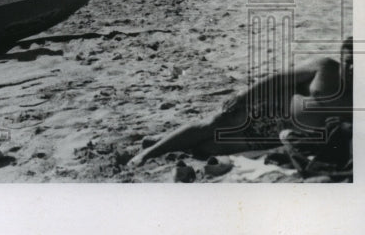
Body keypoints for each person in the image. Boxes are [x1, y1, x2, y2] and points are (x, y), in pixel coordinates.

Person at [130, 38, 353, 169]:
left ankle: (162, 140)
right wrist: (243, 97)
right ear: (341, 57)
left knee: (206, 148)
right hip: (267, 107)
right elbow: (279, 79)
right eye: (348, 62)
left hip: (275, 135)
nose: (353, 68)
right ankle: (148, 153)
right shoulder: (324, 67)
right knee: (212, 124)